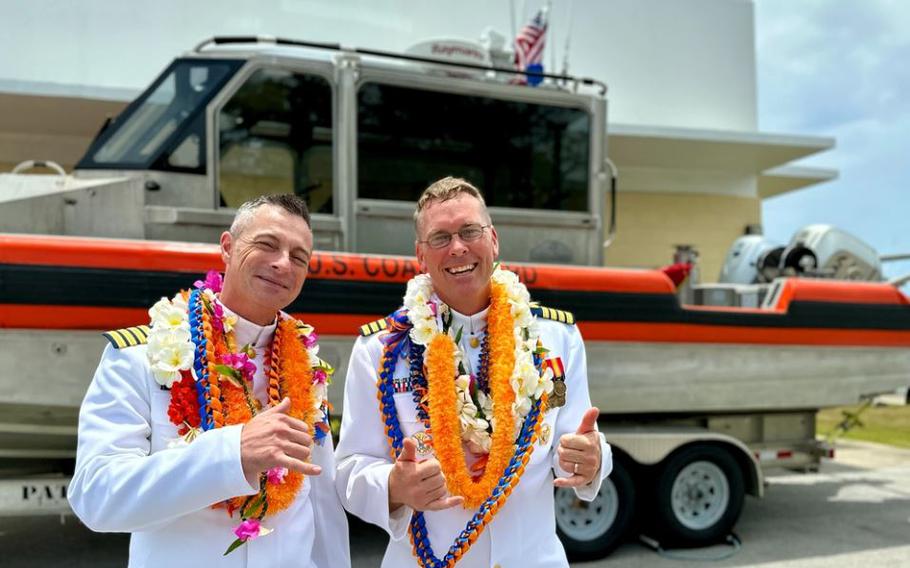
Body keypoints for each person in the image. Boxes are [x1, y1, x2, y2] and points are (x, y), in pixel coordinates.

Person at [335, 177, 611, 567]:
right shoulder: (380, 350)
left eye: (470, 231)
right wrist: (392, 487)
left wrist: (594, 458)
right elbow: (348, 469)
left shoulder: (555, 338)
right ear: (420, 255)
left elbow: (578, 437)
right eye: (440, 237)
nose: (458, 247)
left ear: (493, 240)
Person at [69, 194, 350, 568]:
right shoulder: (143, 353)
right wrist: (231, 453)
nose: (283, 263)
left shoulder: (307, 367)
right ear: (228, 248)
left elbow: (321, 507)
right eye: (267, 244)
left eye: (299, 257)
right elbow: (96, 496)